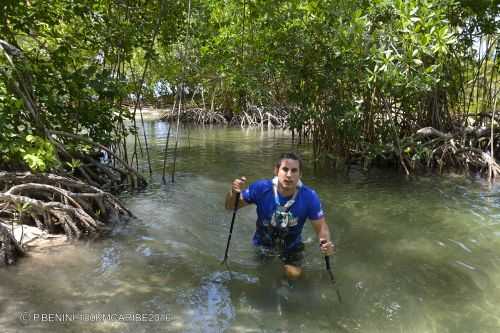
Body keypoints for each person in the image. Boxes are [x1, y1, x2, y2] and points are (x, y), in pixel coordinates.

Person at [225, 152, 335, 280]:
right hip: (263, 245)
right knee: (263, 276)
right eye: (285, 169)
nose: (289, 175)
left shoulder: (309, 196)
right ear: (276, 171)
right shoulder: (261, 188)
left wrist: (326, 243)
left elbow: (321, 227)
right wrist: (233, 192)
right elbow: (230, 206)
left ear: (300, 174)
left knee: (294, 275)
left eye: (294, 170)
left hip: (292, 246)